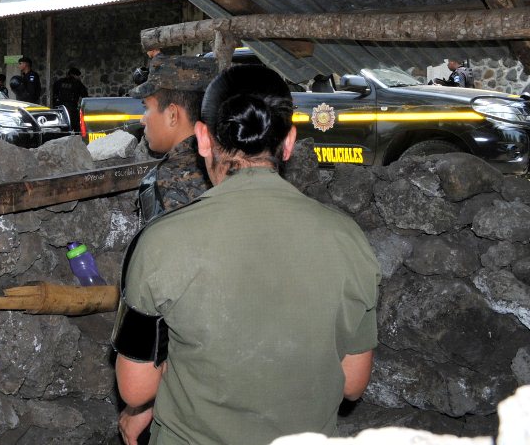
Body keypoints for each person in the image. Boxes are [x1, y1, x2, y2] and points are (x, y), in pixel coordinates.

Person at [113, 63, 380, 445]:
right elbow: (353, 384)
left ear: (202, 138)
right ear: (288, 142)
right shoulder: (349, 239)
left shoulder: (159, 242)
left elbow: (136, 390)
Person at [132, 54, 215, 223]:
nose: (142, 119)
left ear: (172, 114)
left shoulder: (164, 180)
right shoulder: (226, 162)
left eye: (146, 108)